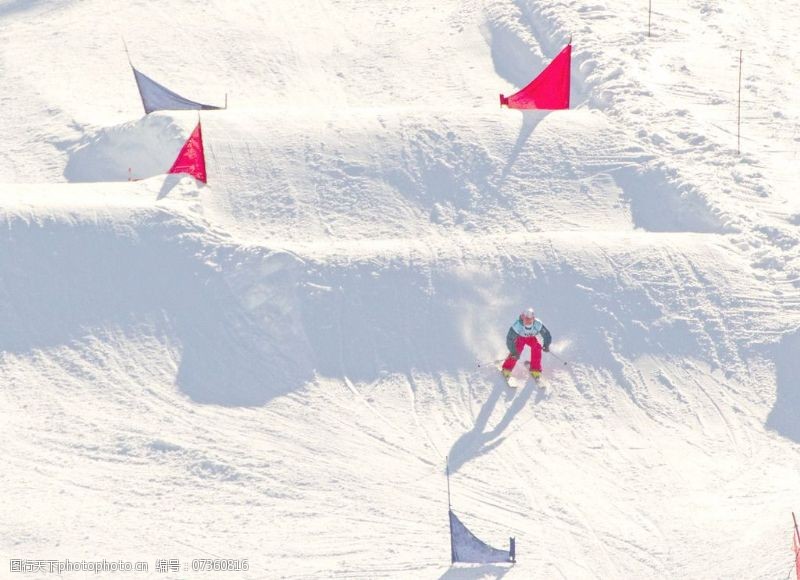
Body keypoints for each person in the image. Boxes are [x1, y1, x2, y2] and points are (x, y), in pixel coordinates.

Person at [501, 307, 551, 381]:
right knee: (517, 351)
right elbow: (510, 339)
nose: (528, 322)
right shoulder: (517, 325)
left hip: (531, 338)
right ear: (522, 318)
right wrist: (513, 352)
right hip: (520, 338)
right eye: (526, 320)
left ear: (533, 319)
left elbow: (546, 334)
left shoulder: (537, 324)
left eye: (530, 320)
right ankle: (507, 368)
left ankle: (535, 369)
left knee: (537, 347)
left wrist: (546, 345)